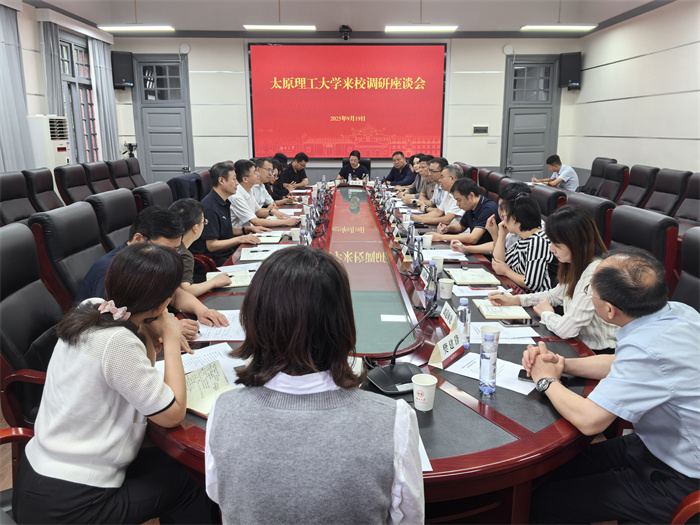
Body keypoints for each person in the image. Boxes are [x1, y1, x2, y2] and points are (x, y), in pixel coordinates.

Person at [205, 246, 424, 524]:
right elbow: (409, 519)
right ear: (343, 322)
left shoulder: (223, 411)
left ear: (254, 317)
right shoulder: (394, 420)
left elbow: (220, 495)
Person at [13, 243, 219, 524]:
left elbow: (142, 373)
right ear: (163, 304)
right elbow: (172, 414)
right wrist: (171, 338)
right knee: (193, 482)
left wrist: (149, 326)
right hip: (71, 503)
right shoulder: (117, 342)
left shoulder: (91, 307)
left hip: (37, 478)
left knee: (175, 464)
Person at [524, 248, 700, 524]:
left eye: (590, 293)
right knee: (550, 471)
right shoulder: (678, 312)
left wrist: (546, 380)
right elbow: (621, 364)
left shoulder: (647, 347)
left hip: (682, 478)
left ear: (609, 309)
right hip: (656, 443)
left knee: (544, 503)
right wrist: (562, 364)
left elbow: (590, 421)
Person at [76, 206, 228, 339]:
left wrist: (202, 310)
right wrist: (165, 331)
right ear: (138, 239)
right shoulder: (111, 270)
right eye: (166, 249)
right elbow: (108, 327)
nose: (171, 257)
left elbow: (175, 294)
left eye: (176, 249)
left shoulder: (152, 262)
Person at [488, 205, 617, 352]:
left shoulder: (593, 273)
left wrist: (547, 313)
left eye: (557, 245)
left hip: (597, 352)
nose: (551, 249)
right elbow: (554, 296)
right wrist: (515, 300)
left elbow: (567, 329)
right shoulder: (576, 264)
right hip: (579, 344)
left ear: (576, 243)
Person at [190, 161, 266, 266]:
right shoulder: (209, 207)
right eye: (234, 179)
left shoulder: (224, 201)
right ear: (221, 181)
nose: (237, 183)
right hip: (217, 260)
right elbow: (211, 245)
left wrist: (246, 230)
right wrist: (240, 238)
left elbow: (223, 231)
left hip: (228, 252)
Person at [484, 192, 555, 292]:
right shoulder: (523, 239)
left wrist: (507, 272)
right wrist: (502, 236)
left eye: (504, 216)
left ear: (514, 218)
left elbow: (532, 284)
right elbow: (497, 263)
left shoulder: (538, 242)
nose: (503, 221)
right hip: (516, 292)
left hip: (534, 299)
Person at [170, 198, 232, 297]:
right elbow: (186, 291)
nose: (205, 223)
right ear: (195, 228)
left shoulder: (165, 244)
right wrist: (214, 282)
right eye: (204, 222)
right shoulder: (183, 254)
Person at [425, 178, 500, 246]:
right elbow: (461, 226)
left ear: (471, 196)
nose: (457, 204)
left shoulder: (488, 209)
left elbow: (473, 238)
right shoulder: (471, 205)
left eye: (459, 200)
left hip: (485, 252)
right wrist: (448, 228)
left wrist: (440, 237)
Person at [230, 159, 300, 229]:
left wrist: (272, 212)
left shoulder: (248, 190)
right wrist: (285, 222)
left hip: (251, 229)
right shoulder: (237, 196)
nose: (258, 174)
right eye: (255, 173)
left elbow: (258, 211)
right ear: (245, 179)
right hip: (242, 232)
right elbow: (256, 222)